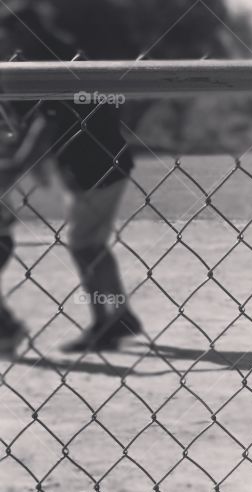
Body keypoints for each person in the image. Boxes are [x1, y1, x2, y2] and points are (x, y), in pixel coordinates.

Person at [0, 1, 142, 354]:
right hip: (102, 162)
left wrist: (17, 165)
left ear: (22, 32)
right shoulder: (61, 54)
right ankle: (120, 314)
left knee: (83, 246)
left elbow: (45, 125)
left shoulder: (51, 62)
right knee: (90, 244)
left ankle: (104, 323)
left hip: (94, 166)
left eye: (8, 35)